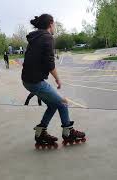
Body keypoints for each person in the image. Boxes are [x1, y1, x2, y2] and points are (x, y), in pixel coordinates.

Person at [21, 14, 86, 148]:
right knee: (63, 102)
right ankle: (68, 132)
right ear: (51, 24)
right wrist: (58, 80)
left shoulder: (35, 37)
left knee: (52, 105)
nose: (55, 26)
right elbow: (50, 64)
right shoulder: (47, 37)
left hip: (28, 80)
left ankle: (40, 133)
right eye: (54, 24)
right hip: (35, 81)